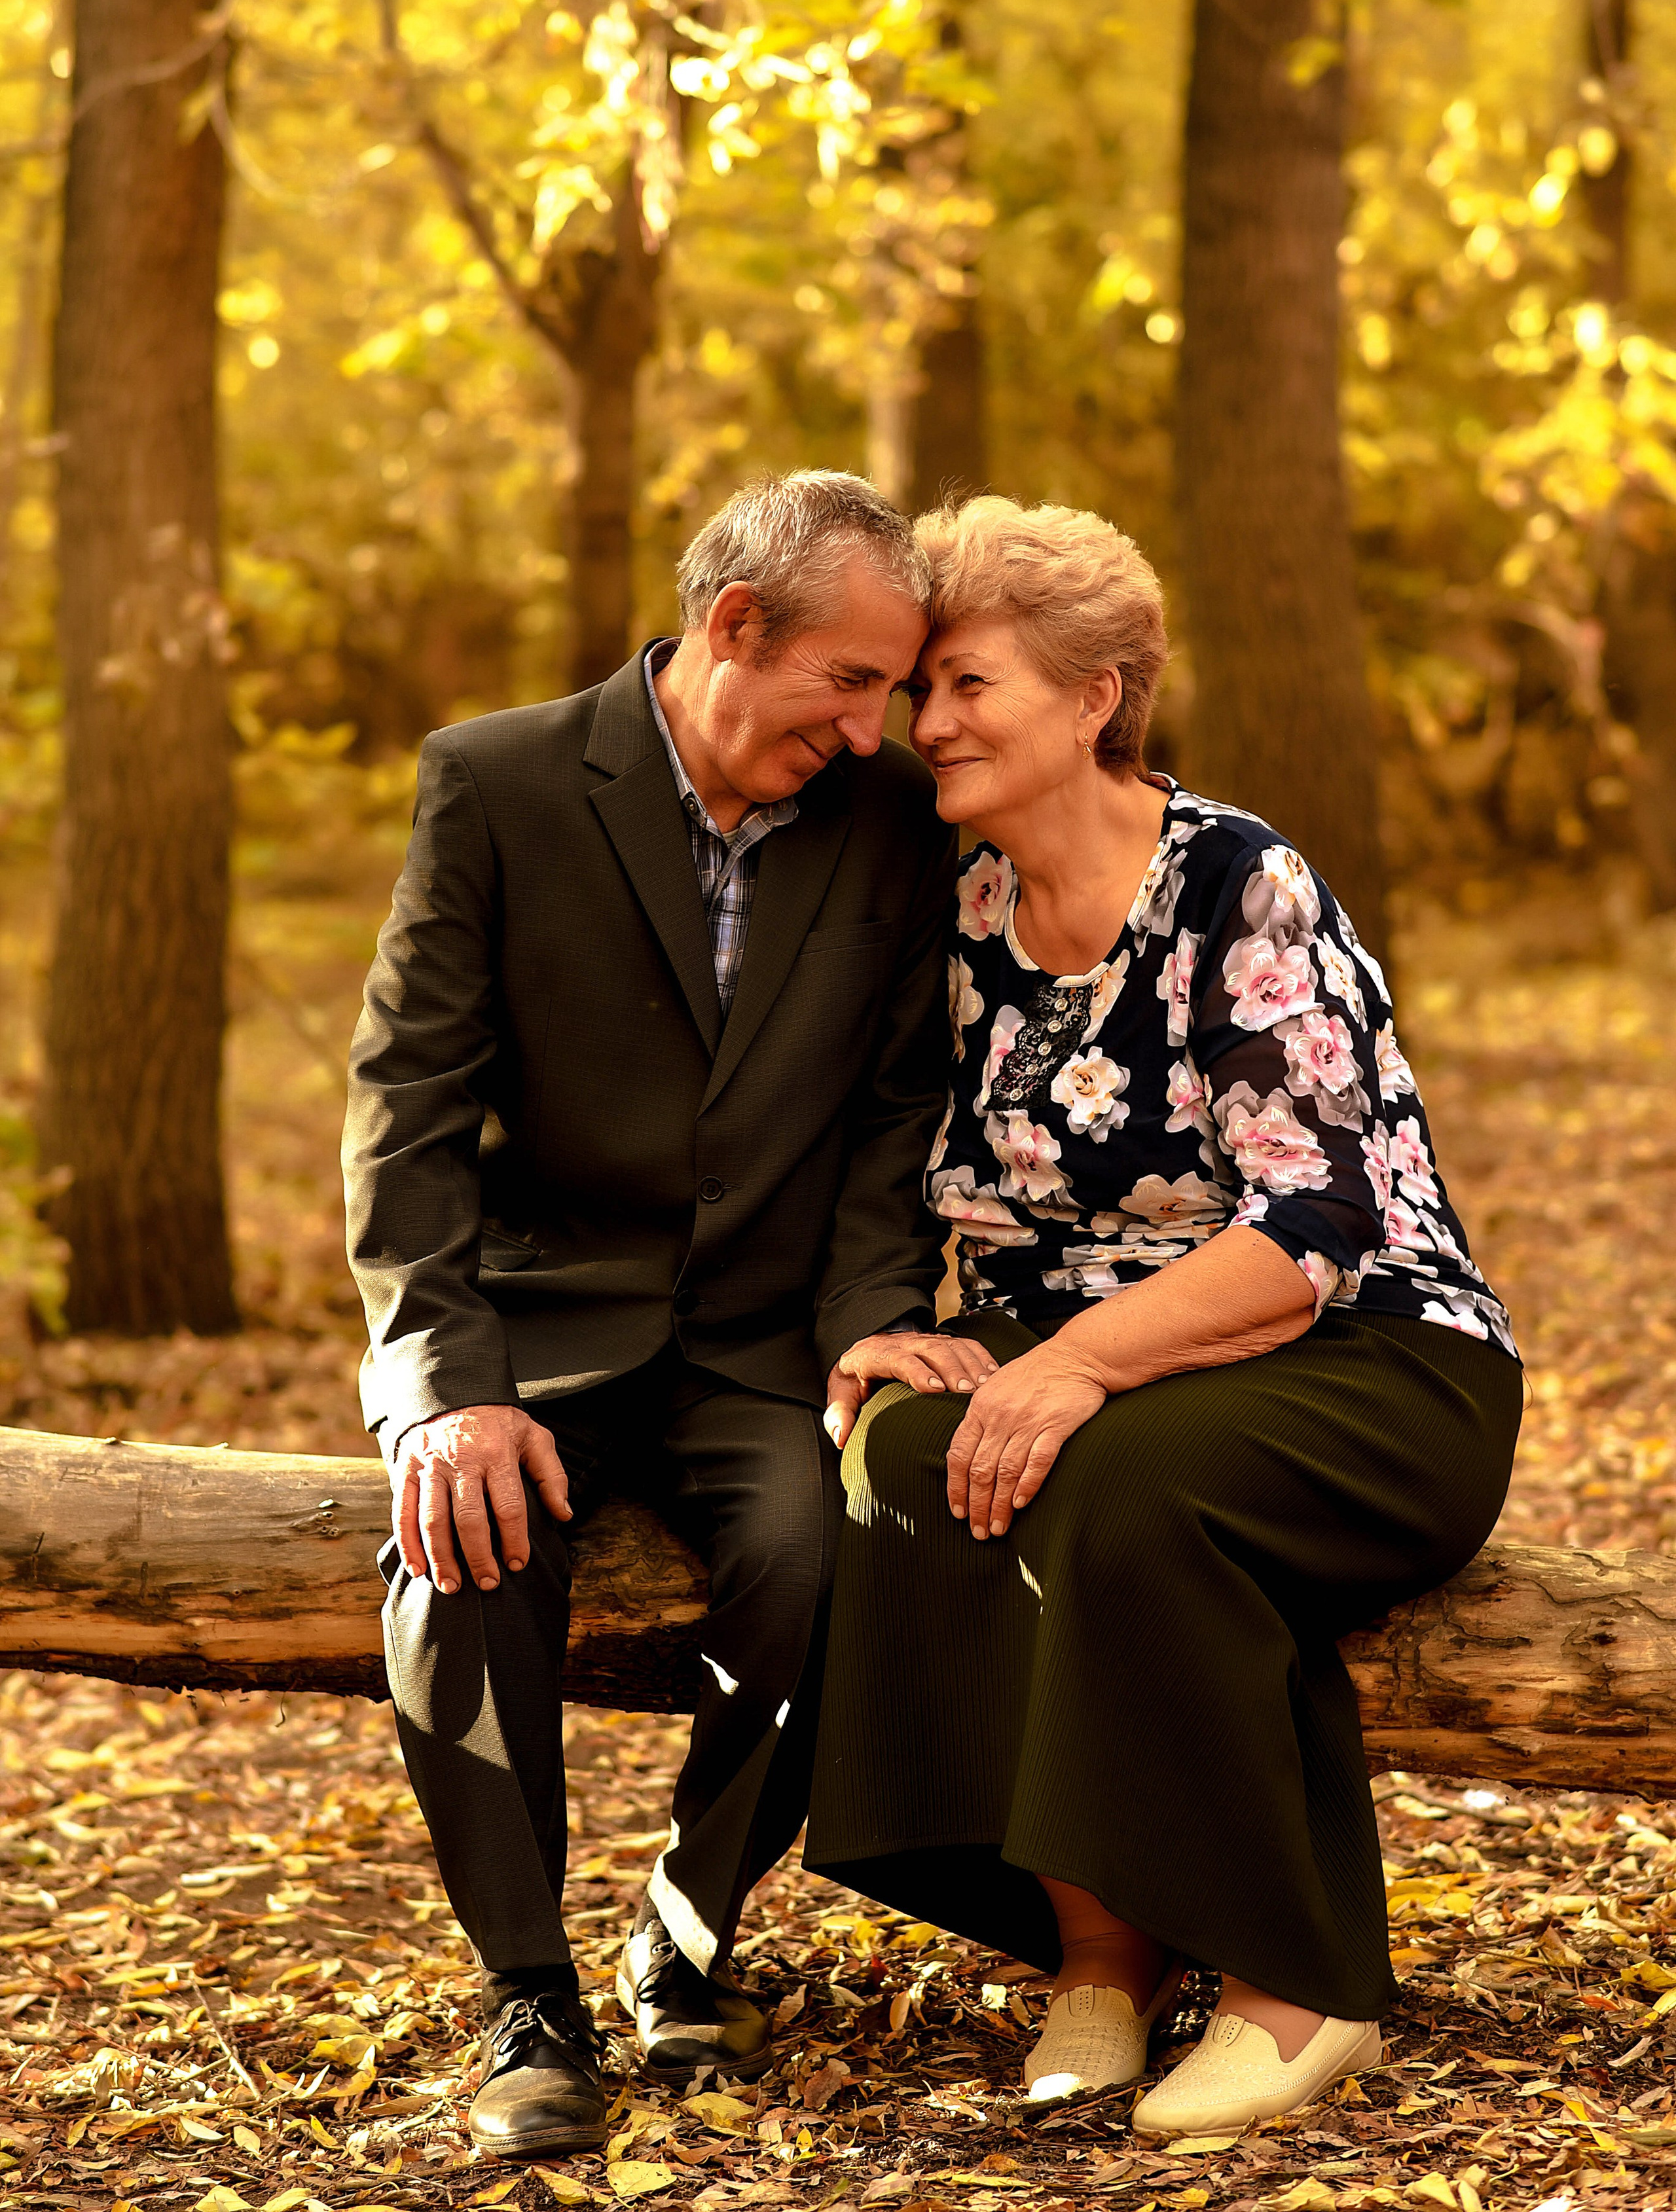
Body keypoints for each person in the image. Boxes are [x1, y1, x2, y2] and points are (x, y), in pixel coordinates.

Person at [805, 496, 1523, 2141]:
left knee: (1111, 1480)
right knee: (903, 1451)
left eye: (966, 685)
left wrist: (1064, 1368)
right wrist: (888, 1337)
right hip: (1113, 1374)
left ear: (1094, 695)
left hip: (1370, 1357)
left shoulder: (1233, 880)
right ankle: (1099, 1964)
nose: (927, 728)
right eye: (920, 693)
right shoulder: (965, 915)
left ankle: (1293, 1976)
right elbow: (937, 1184)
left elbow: (1314, 1225)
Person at [342, 471, 958, 2160]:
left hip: (766, 1348)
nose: (872, 725)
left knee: (828, 1542)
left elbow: (898, 1115)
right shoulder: (499, 781)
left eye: (893, 691)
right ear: (733, 626)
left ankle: (686, 1930)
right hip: (529, 1333)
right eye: (853, 679)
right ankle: (525, 1992)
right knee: (461, 1538)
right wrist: (443, 1387)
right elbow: (405, 1106)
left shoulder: (894, 823)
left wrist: (873, 1322)